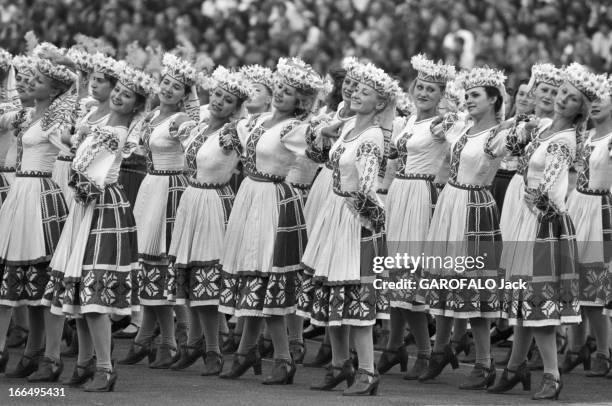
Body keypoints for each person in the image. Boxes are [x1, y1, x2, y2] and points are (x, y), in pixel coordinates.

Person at [489, 62, 603, 400]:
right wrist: (516, 126)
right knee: (525, 299)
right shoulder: (542, 128)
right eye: (562, 93)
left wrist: (536, 204)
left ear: (579, 111)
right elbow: (494, 149)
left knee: (538, 302)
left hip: (544, 222)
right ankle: (514, 366)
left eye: (571, 98)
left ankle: (552, 374)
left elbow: (552, 191)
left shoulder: (563, 140)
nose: (562, 99)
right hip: (530, 215)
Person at [44, 62, 155, 391]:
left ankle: (105, 368)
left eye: (127, 95)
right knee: (78, 289)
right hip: (87, 204)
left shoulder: (115, 132)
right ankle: (84, 363)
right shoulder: (100, 119)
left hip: (101, 205)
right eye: (118, 91)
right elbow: (78, 156)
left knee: (93, 293)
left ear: (136, 105)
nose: (119, 96)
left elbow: (87, 173)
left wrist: (75, 167)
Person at [218, 57, 323, 385]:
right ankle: (247, 350)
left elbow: (318, 152)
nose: (280, 93)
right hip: (250, 194)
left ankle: (283, 357)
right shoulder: (259, 119)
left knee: (266, 276)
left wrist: (324, 132)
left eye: (289, 91)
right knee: (253, 273)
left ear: (300, 101)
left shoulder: (296, 127)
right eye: (279, 87)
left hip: (273, 198)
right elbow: (230, 140)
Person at [299, 62, 399, 396]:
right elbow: (323, 157)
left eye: (365, 92)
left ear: (380, 104)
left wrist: (363, 222)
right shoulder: (347, 127)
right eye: (355, 89)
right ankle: (341, 364)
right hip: (336, 212)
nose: (356, 93)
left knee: (356, 296)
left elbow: (368, 187)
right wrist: (325, 133)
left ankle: (368, 371)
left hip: (354, 219)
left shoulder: (371, 136)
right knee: (332, 293)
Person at [419, 66, 507, 390]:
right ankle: (440, 349)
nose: (468, 100)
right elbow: (435, 128)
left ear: (494, 99)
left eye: (476, 96)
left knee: (473, 285)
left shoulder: (495, 134)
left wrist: (515, 125)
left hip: (474, 207)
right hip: (450, 204)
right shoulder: (462, 128)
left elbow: (508, 144)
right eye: (467, 95)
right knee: (443, 278)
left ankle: (485, 362)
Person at [165, 66, 251, 375]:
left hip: (214, 201)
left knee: (206, 279)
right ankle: (196, 342)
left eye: (228, 100)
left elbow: (251, 134)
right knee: (189, 276)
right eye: (216, 94)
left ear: (235, 107)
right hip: (192, 198)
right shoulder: (199, 125)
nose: (218, 102)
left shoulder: (233, 132)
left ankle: (213, 349)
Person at [0, 48, 76, 378]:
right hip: (21, 193)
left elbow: (70, 148)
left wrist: (73, 141)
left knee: (43, 278)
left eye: (39, 80)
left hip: (40, 196)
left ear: (55, 90)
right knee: (15, 276)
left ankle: (50, 356)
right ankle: (26, 353)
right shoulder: (27, 115)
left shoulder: (54, 120)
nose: (31, 81)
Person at [379, 55, 456, 380]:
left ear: (441, 95)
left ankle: (426, 351)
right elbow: (395, 159)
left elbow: (457, 150)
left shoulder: (443, 123)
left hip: (421, 197)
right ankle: (395, 346)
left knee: (411, 279)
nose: (423, 93)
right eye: (420, 86)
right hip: (400, 195)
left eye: (431, 89)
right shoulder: (407, 120)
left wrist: (441, 179)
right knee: (396, 276)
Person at [118, 53, 195, 369]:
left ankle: (171, 341)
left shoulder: (182, 121)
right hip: (151, 187)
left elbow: (195, 149)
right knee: (149, 265)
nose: (168, 89)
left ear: (184, 95)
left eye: (176, 87)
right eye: (166, 82)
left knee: (161, 265)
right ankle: (151, 339)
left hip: (171, 189)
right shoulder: (149, 117)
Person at [561, 76, 612, 378]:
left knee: (594, 287)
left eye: (602, 99)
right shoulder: (584, 135)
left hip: (600, 210)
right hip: (576, 205)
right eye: (591, 100)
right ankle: (575, 348)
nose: (595, 105)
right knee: (571, 281)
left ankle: (604, 353)